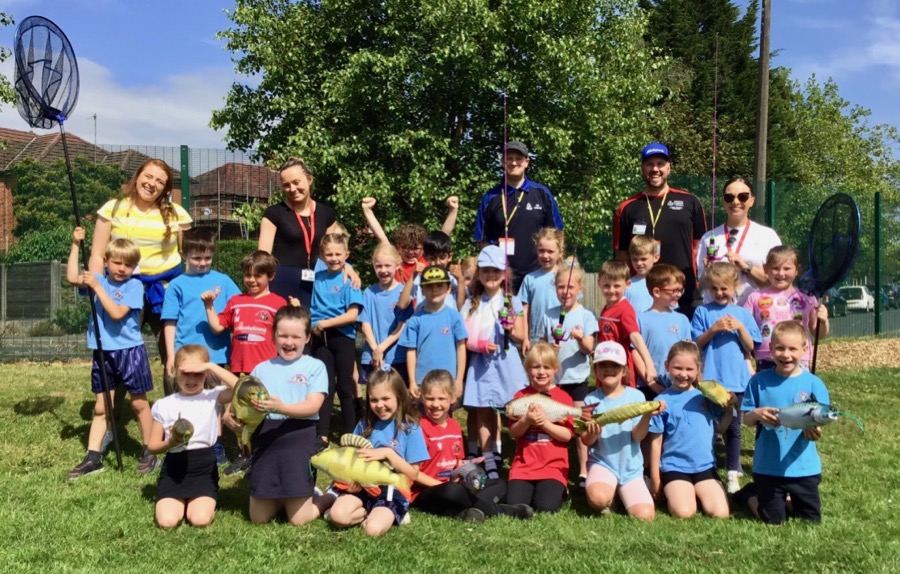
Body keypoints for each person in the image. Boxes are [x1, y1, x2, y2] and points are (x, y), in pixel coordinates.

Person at [66, 227, 157, 478]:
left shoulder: (134, 286)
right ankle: (93, 457)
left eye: (128, 265)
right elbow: (72, 277)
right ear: (106, 261)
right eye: (117, 262)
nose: (122, 268)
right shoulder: (100, 280)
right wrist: (75, 245)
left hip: (129, 351)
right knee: (101, 407)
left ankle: (150, 450)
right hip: (103, 352)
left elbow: (116, 313)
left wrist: (97, 286)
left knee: (139, 403)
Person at [90, 159, 192, 378]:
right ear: (137, 177)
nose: (152, 184)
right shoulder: (112, 208)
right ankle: (112, 399)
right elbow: (97, 254)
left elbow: (190, 256)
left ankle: (178, 397)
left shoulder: (178, 214)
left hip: (164, 291)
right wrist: (98, 289)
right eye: (148, 176)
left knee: (174, 353)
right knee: (116, 349)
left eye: (160, 181)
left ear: (166, 188)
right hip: (121, 290)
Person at [240, 305, 328, 525]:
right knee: (258, 519)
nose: (289, 342)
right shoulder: (261, 369)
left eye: (296, 336)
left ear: (307, 338)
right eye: (283, 335)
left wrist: (281, 408)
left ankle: (329, 496)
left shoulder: (315, 366)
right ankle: (283, 497)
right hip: (266, 437)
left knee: (299, 520)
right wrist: (235, 417)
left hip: (299, 436)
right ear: (273, 337)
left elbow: (313, 406)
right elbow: (247, 404)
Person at [203, 250, 287, 476]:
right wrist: (209, 306)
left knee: (263, 413)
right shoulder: (236, 301)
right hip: (240, 370)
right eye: (247, 275)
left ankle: (264, 453)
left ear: (270, 276)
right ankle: (246, 453)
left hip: (267, 370)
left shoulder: (278, 303)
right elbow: (218, 326)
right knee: (238, 415)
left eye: (257, 275)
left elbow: (286, 335)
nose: (251, 280)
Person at [411, 369, 533, 521]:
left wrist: (466, 472)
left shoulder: (455, 426)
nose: (436, 404)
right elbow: (413, 473)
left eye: (441, 398)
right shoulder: (418, 428)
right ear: (422, 398)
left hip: (454, 486)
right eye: (430, 399)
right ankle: (501, 510)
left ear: (452, 398)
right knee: (452, 491)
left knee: (499, 484)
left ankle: (466, 512)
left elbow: (457, 462)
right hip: (427, 491)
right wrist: (440, 485)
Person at [741, 321, 830, 524]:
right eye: (780, 348)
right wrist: (756, 414)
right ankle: (750, 496)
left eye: (792, 349)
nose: (786, 355)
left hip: (804, 468)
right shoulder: (758, 381)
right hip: (768, 467)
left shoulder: (814, 384)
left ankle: (787, 499)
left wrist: (815, 432)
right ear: (771, 348)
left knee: (810, 521)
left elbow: (820, 423)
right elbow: (747, 419)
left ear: (804, 349)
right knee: (773, 521)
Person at [326, 368, 429, 536]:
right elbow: (352, 458)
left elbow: (413, 473)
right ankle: (367, 512)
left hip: (391, 493)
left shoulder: (411, 429)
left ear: (400, 396)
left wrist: (389, 454)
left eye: (386, 398)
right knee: (338, 516)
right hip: (362, 489)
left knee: (372, 529)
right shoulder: (365, 424)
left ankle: (391, 513)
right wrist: (351, 481)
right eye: (374, 400)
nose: (379, 405)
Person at [147, 345, 237, 528]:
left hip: (204, 468)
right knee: (167, 521)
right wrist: (170, 442)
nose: (191, 379)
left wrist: (211, 366)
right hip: (174, 469)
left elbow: (241, 388)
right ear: (174, 372)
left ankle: (202, 501)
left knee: (199, 519)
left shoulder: (213, 397)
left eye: (198, 373)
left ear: (206, 374)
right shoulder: (164, 405)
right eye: (186, 373)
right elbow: (152, 446)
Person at [613, 142, 707, 318]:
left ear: (668, 168)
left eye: (660, 164)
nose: (655, 169)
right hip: (643, 298)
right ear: (642, 168)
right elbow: (622, 256)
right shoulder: (627, 207)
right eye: (650, 164)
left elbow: (699, 247)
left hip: (683, 294)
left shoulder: (690, 201)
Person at [692, 262, 761, 493]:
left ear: (735, 287)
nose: (719, 293)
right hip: (711, 380)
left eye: (724, 288)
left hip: (736, 380)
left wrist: (740, 328)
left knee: (733, 426)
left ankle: (733, 471)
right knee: (709, 425)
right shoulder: (702, 312)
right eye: (714, 289)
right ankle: (708, 468)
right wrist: (714, 329)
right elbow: (697, 343)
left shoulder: (743, 314)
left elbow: (750, 346)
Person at [462, 245, 528, 480]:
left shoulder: (513, 301)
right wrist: (479, 344)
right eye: (486, 271)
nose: (491, 275)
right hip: (481, 365)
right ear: (479, 274)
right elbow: (464, 335)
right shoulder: (471, 303)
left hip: (506, 364)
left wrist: (510, 329)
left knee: (514, 410)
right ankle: (488, 459)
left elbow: (521, 335)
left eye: (496, 271)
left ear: (504, 274)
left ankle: (521, 455)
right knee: (483, 411)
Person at [647, 341, 731, 519]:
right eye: (677, 368)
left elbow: (721, 427)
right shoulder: (661, 401)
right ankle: (680, 492)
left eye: (689, 369)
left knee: (720, 513)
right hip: (674, 467)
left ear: (698, 369)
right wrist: (656, 479)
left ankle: (699, 491)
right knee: (684, 512)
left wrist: (730, 408)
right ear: (667, 365)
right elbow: (655, 443)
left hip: (704, 466)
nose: (683, 374)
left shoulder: (706, 397)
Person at [581, 341, 662, 520]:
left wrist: (647, 415)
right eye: (603, 365)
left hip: (630, 468)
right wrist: (593, 433)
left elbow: (638, 436)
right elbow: (585, 440)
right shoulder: (591, 400)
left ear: (624, 370)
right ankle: (609, 495)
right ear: (596, 369)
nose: (609, 369)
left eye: (615, 365)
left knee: (645, 516)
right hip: (603, 463)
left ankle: (621, 491)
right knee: (598, 499)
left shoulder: (636, 396)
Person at [474, 141, 564, 292]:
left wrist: (557, 268)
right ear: (502, 162)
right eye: (509, 158)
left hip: (538, 275)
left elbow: (558, 235)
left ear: (526, 162)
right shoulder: (490, 197)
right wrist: (493, 269)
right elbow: (483, 240)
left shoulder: (542, 193)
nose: (514, 162)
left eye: (518, 158)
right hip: (502, 278)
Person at [162, 228, 241, 391]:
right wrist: (170, 355)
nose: (203, 263)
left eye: (208, 258)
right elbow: (170, 322)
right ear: (184, 255)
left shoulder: (224, 281)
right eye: (197, 258)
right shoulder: (176, 285)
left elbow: (239, 308)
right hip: (186, 352)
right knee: (186, 395)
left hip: (215, 353)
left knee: (213, 398)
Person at [539, 263, 596, 490]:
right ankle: (553, 466)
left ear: (580, 288)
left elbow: (589, 348)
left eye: (570, 287)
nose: (566, 291)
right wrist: (549, 349)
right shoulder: (548, 314)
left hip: (577, 379)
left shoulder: (586, 315)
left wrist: (580, 338)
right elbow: (540, 346)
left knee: (579, 425)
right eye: (561, 287)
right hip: (554, 382)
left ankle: (583, 470)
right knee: (553, 423)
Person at [258, 157, 340, 307]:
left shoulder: (327, 214)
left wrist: (347, 269)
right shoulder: (274, 213)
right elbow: (262, 257)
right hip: (281, 283)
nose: (292, 189)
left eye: (296, 182)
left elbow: (333, 251)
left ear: (309, 180)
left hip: (317, 283)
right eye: (286, 185)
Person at [505, 342, 575, 513]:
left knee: (546, 507)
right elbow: (514, 433)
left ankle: (561, 490)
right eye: (536, 367)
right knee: (515, 504)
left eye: (547, 367)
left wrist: (544, 423)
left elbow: (567, 436)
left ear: (555, 369)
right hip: (524, 467)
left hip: (552, 466)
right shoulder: (520, 397)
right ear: (528, 369)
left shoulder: (563, 397)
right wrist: (527, 420)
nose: (541, 372)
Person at [310, 232, 364, 441]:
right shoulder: (317, 278)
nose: (333, 258)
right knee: (325, 386)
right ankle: (322, 434)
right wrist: (315, 326)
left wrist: (325, 323)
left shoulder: (350, 280)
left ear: (346, 255)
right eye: (329, 254)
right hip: (320, 337)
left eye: (338, 254)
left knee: (345, 387)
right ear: (322, 256)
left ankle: (351, 432)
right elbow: (312, 308)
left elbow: (353, 315)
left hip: (343, 338)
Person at [697, 177, 782, 306]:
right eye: (729, 197)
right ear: (723, 202)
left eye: (743, 197)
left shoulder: (767, 236)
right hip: (716, 312)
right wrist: (708, 271)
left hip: (756, 311)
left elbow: (775, 281)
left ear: (751, 201)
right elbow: (702, 285)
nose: (735, 202)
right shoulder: (708, 238)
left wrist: (746, 267)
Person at [743, 246, 829, 371]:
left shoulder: (807, 298)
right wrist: (747, 362)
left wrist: (824, 321)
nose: (781, 273)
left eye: (787, 268)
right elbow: (744, 330)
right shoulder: (755, 297)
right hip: (765, 358)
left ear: (797, 270)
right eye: (775, 268)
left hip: (799, 359)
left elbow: (818, 334)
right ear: (765, 269)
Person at [398, 265, 468, 400]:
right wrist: (412, 381)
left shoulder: (455, 317)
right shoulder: (414, 320)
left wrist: (459, 380)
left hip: (448, 380)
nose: (434, 290)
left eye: (439, 285)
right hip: (422, 380)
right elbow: (411, 351)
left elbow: (461, 348)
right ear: (422, 290)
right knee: (423, 412)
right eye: (429, 286)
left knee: (444, 412)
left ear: (449, 288)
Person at [361, 196, 460, 286]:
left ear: (423, 248)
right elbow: (381, 237)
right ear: (398, 247)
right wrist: (367, 210)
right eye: (406, 247)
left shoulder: (429, 260)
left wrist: (453, 209)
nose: (410, 252)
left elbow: (443, 236)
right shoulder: (395, 260)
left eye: (415, 248)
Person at [359, 244, 414, 386]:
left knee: (397, 394)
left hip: (396, 356)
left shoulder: (403, 293)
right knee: (374, 394)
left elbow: (402, 327)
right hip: (372, 356)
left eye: (387, 266)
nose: (383, 270)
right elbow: (365, 324)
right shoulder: (369, 293)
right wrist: (375, 350)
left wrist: (381, 348)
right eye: (379, 266)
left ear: (397, 265)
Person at [596, 259, 656, 387]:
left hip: (619, 370)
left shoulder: (625, 309)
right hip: (605, 364)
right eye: (606, 285)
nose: (611, 290)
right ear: (599, 284)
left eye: (617, 286)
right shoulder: (606, 309)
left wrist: (649, 364)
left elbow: (635, 336)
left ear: (627, 284)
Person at [637, 264, 692, 398]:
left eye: (681, 290)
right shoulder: (641, 319)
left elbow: (689, 351)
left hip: (679, 384)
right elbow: (635, 353)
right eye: (674, 290)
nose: (679, 294)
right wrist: (651, 384)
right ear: (657, 292)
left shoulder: (682, 319)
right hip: (649, 387)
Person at [518, 227, 565, 354]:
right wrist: (525, 338)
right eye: (541, 250)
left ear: (560, 252)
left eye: (550, 251)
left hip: (559, 339)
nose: (545, 255)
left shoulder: (565, 277)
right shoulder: (529, 279)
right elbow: (524, 311)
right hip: (535, 340)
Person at [398, 230, 459, 311]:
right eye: (432, 258)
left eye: (442, 257)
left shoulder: (453, 279)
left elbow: (461, 307)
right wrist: (413, 275)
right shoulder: (419, 279)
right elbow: (402, 305)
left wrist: (461, 280)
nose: (437, 262)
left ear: (450, 257)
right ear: (425, 257)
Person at [624, 235, 659, 314]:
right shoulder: (627, 286)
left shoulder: (663, 283)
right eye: (635, 259)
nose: (639, 263)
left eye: (643, 259)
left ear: (656, 257)